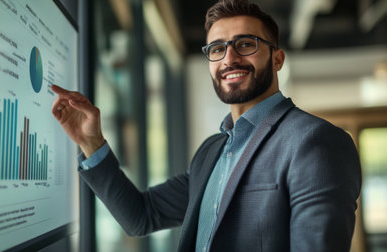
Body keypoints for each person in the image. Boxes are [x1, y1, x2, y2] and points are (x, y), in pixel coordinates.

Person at [51, 0, 362, 251]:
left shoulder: (315, 140)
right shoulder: (212, 152)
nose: (229, 59)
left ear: (277, 58)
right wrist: (91, 143)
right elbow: (140, 217)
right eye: (217, 49)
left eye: (246, 44)